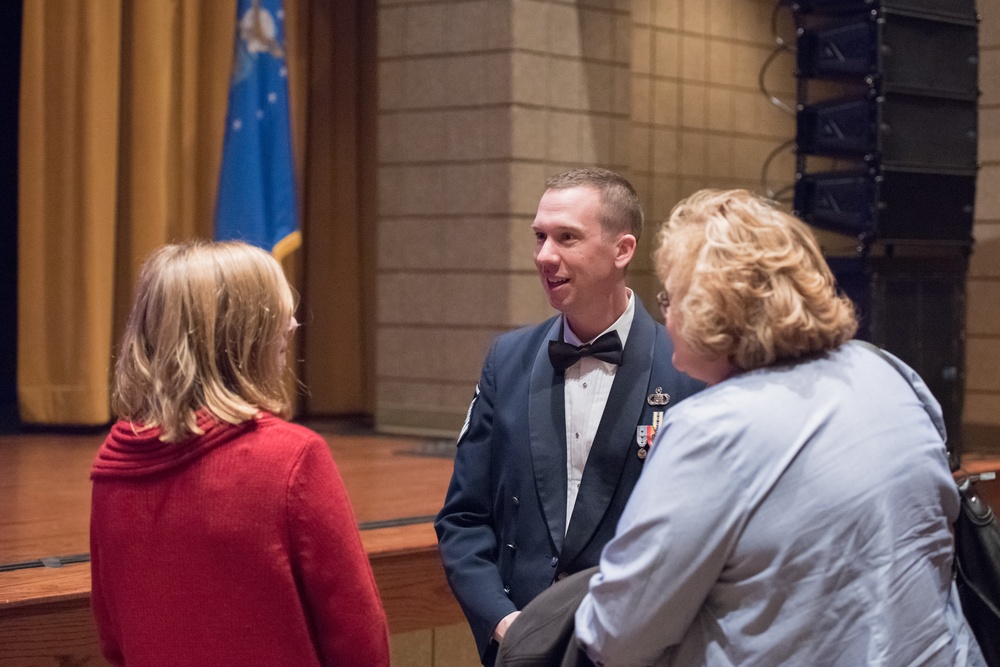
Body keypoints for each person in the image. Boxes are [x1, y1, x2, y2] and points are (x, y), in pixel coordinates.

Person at [574, 189, 986, 666]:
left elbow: (617, 634)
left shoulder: (710, 429)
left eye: (672, 295)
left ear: (710, 309)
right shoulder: (891, 373)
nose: (665, 312)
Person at [435, 167, 704, 665]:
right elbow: (463, 518)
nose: (544, 256)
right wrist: (506, 626)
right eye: (539, 237)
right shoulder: (507, 359)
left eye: (566, 238)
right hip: (520, 645)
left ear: (622, 250)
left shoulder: (689, 365)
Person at [89, 241, 390, 666]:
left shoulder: (113, 467)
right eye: (275, 312)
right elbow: (358, 637)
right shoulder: (293, 458)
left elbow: (114, 638)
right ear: (239, 332)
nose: (293, 323)